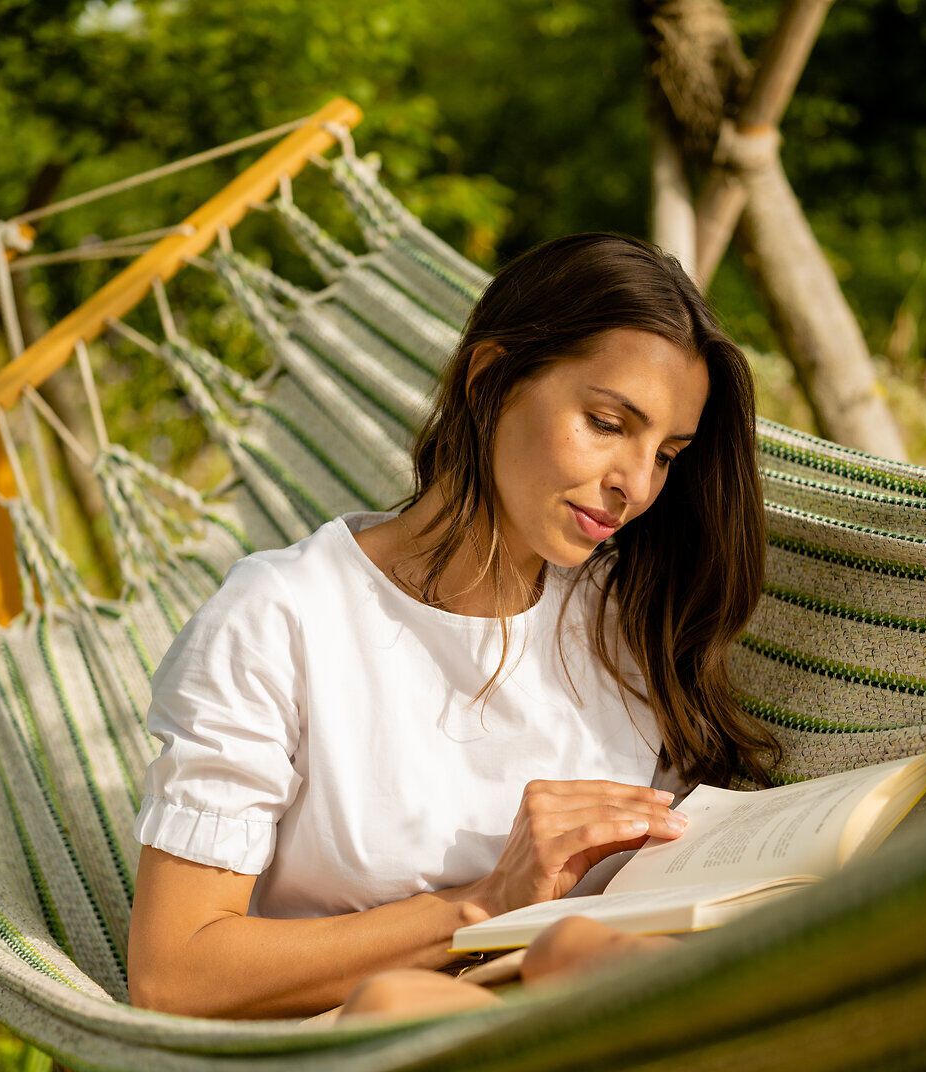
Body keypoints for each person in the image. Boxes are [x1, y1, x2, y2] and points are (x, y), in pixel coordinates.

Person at [124, 230, 784, 1021]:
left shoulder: (628, 620)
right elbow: (174, 972)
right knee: (401, 1002)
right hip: (356, 1055)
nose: (636, 485)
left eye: (668, 454)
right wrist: (487, 902)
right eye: (607, 423)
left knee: (576, 951)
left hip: (585, 1021)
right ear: (489, 378)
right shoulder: (282, 619)